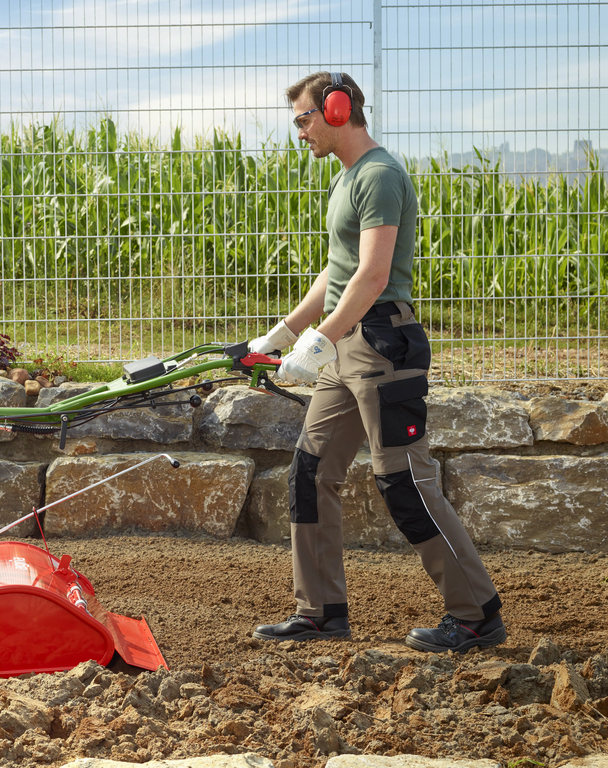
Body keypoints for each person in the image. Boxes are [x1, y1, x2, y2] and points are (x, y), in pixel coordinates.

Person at [248, 72, 506, 653]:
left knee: (404, 481)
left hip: (384, 344)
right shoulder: (346, 179)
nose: (299, 132)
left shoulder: (380, 175)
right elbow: (339, 270)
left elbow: (373, 275)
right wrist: (285, 333)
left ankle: (476, 615)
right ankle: (320, 612)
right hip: (346, 347)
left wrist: (319, 341)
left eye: (303, 119)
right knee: (310, 473)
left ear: (337, 110)